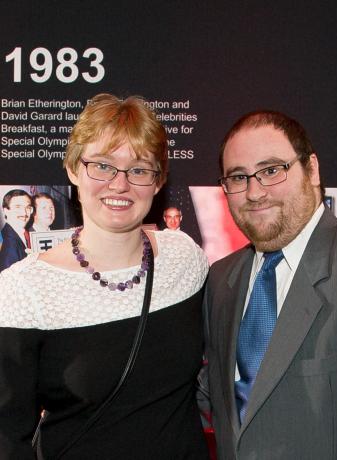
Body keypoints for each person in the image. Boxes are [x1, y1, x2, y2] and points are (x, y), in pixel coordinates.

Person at [0, 93, 209, 459]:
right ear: (72, 168)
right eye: (102, 166)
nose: (119, 184)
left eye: (139, 169)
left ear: (158, 182)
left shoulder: (185, 258)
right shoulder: (24, 290)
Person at [202, 110, 337, 459]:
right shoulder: (222, 279)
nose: (255, 192)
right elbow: (216, 399)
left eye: (271, 170)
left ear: (312, 170)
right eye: (239, 177)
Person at [0, 189, 32, 272]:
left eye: (28, 207)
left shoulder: (20, 234)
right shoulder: (8, 242)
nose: (24, 213)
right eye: (18, 207)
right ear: (6, 211)